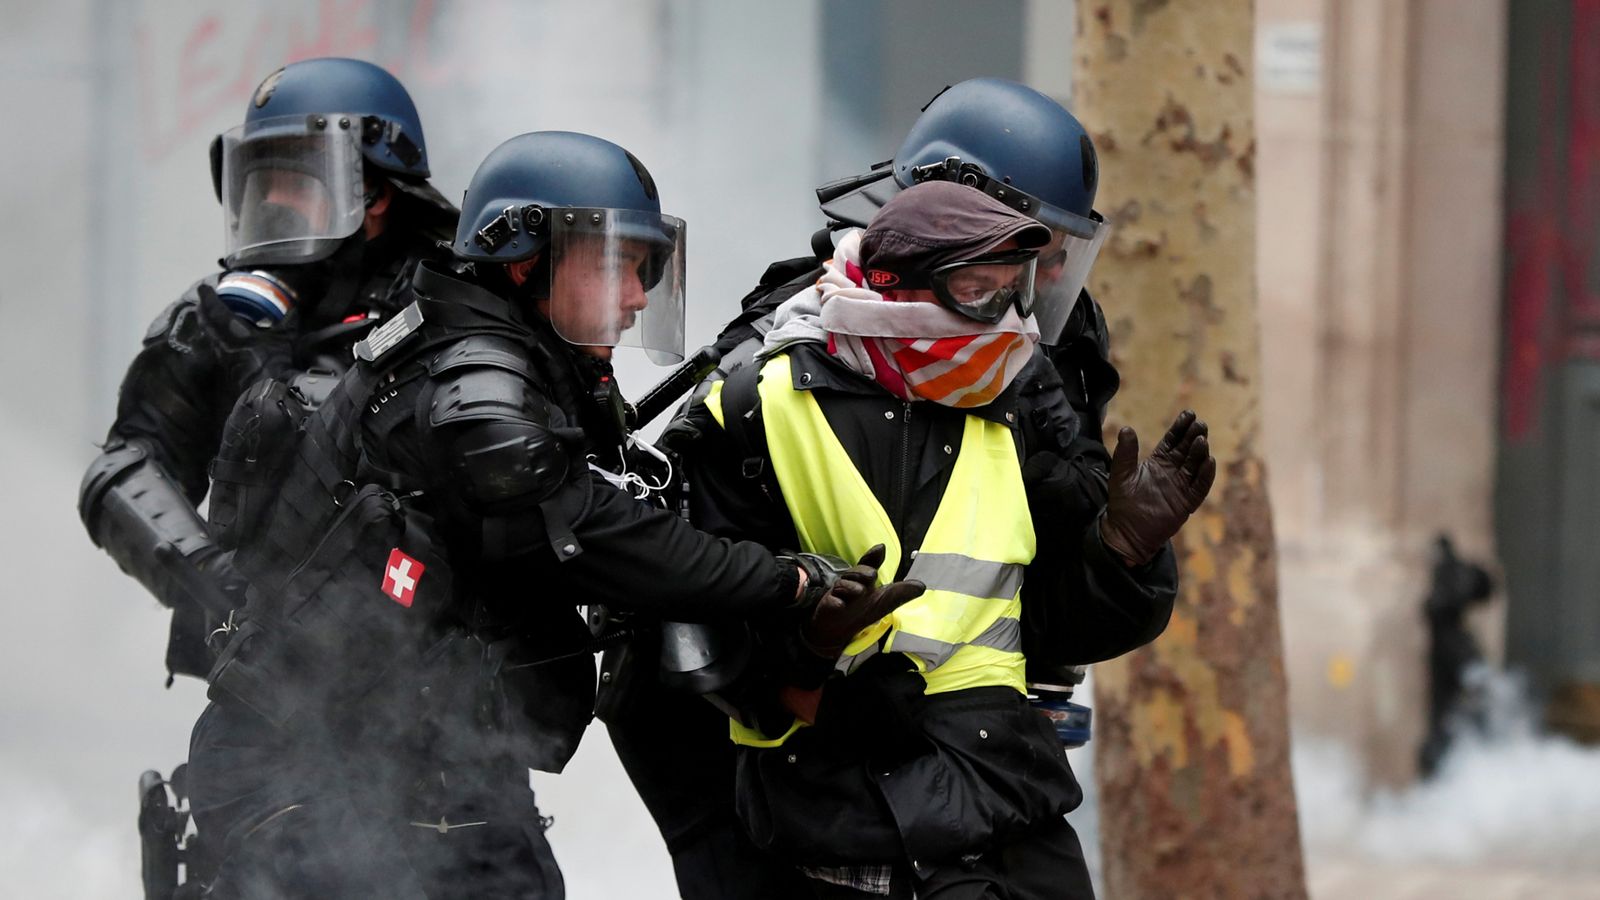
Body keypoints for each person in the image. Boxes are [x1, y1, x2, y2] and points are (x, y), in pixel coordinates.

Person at [187, 130, 910, 899]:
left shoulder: (496, 358)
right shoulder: (473, 389)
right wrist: (789, 584)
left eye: (645, 269)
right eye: (616, 265)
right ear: (525, 259)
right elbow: (596, 534)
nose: (636, 296)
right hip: (304, 772)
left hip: (429, 768)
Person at [614, 77, 1171, 898]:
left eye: (1060, 252)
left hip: (972, 752)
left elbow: (1047, 557)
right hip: (757, 745)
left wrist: (1123, 553)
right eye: (1032, 247)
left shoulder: (1053, 337)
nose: (1045, 278)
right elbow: (692, 583)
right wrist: (809, 681)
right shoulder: (789, 345)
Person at [77, 57, 458, 683]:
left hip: (429, 684)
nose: (275, 200)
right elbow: (123, 470)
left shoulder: (449, 311)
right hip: (261, 693)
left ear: (377, 194)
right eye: (265, 179)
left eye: (299, 179)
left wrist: (271, 385)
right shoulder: (225, 314)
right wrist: (209, 579)